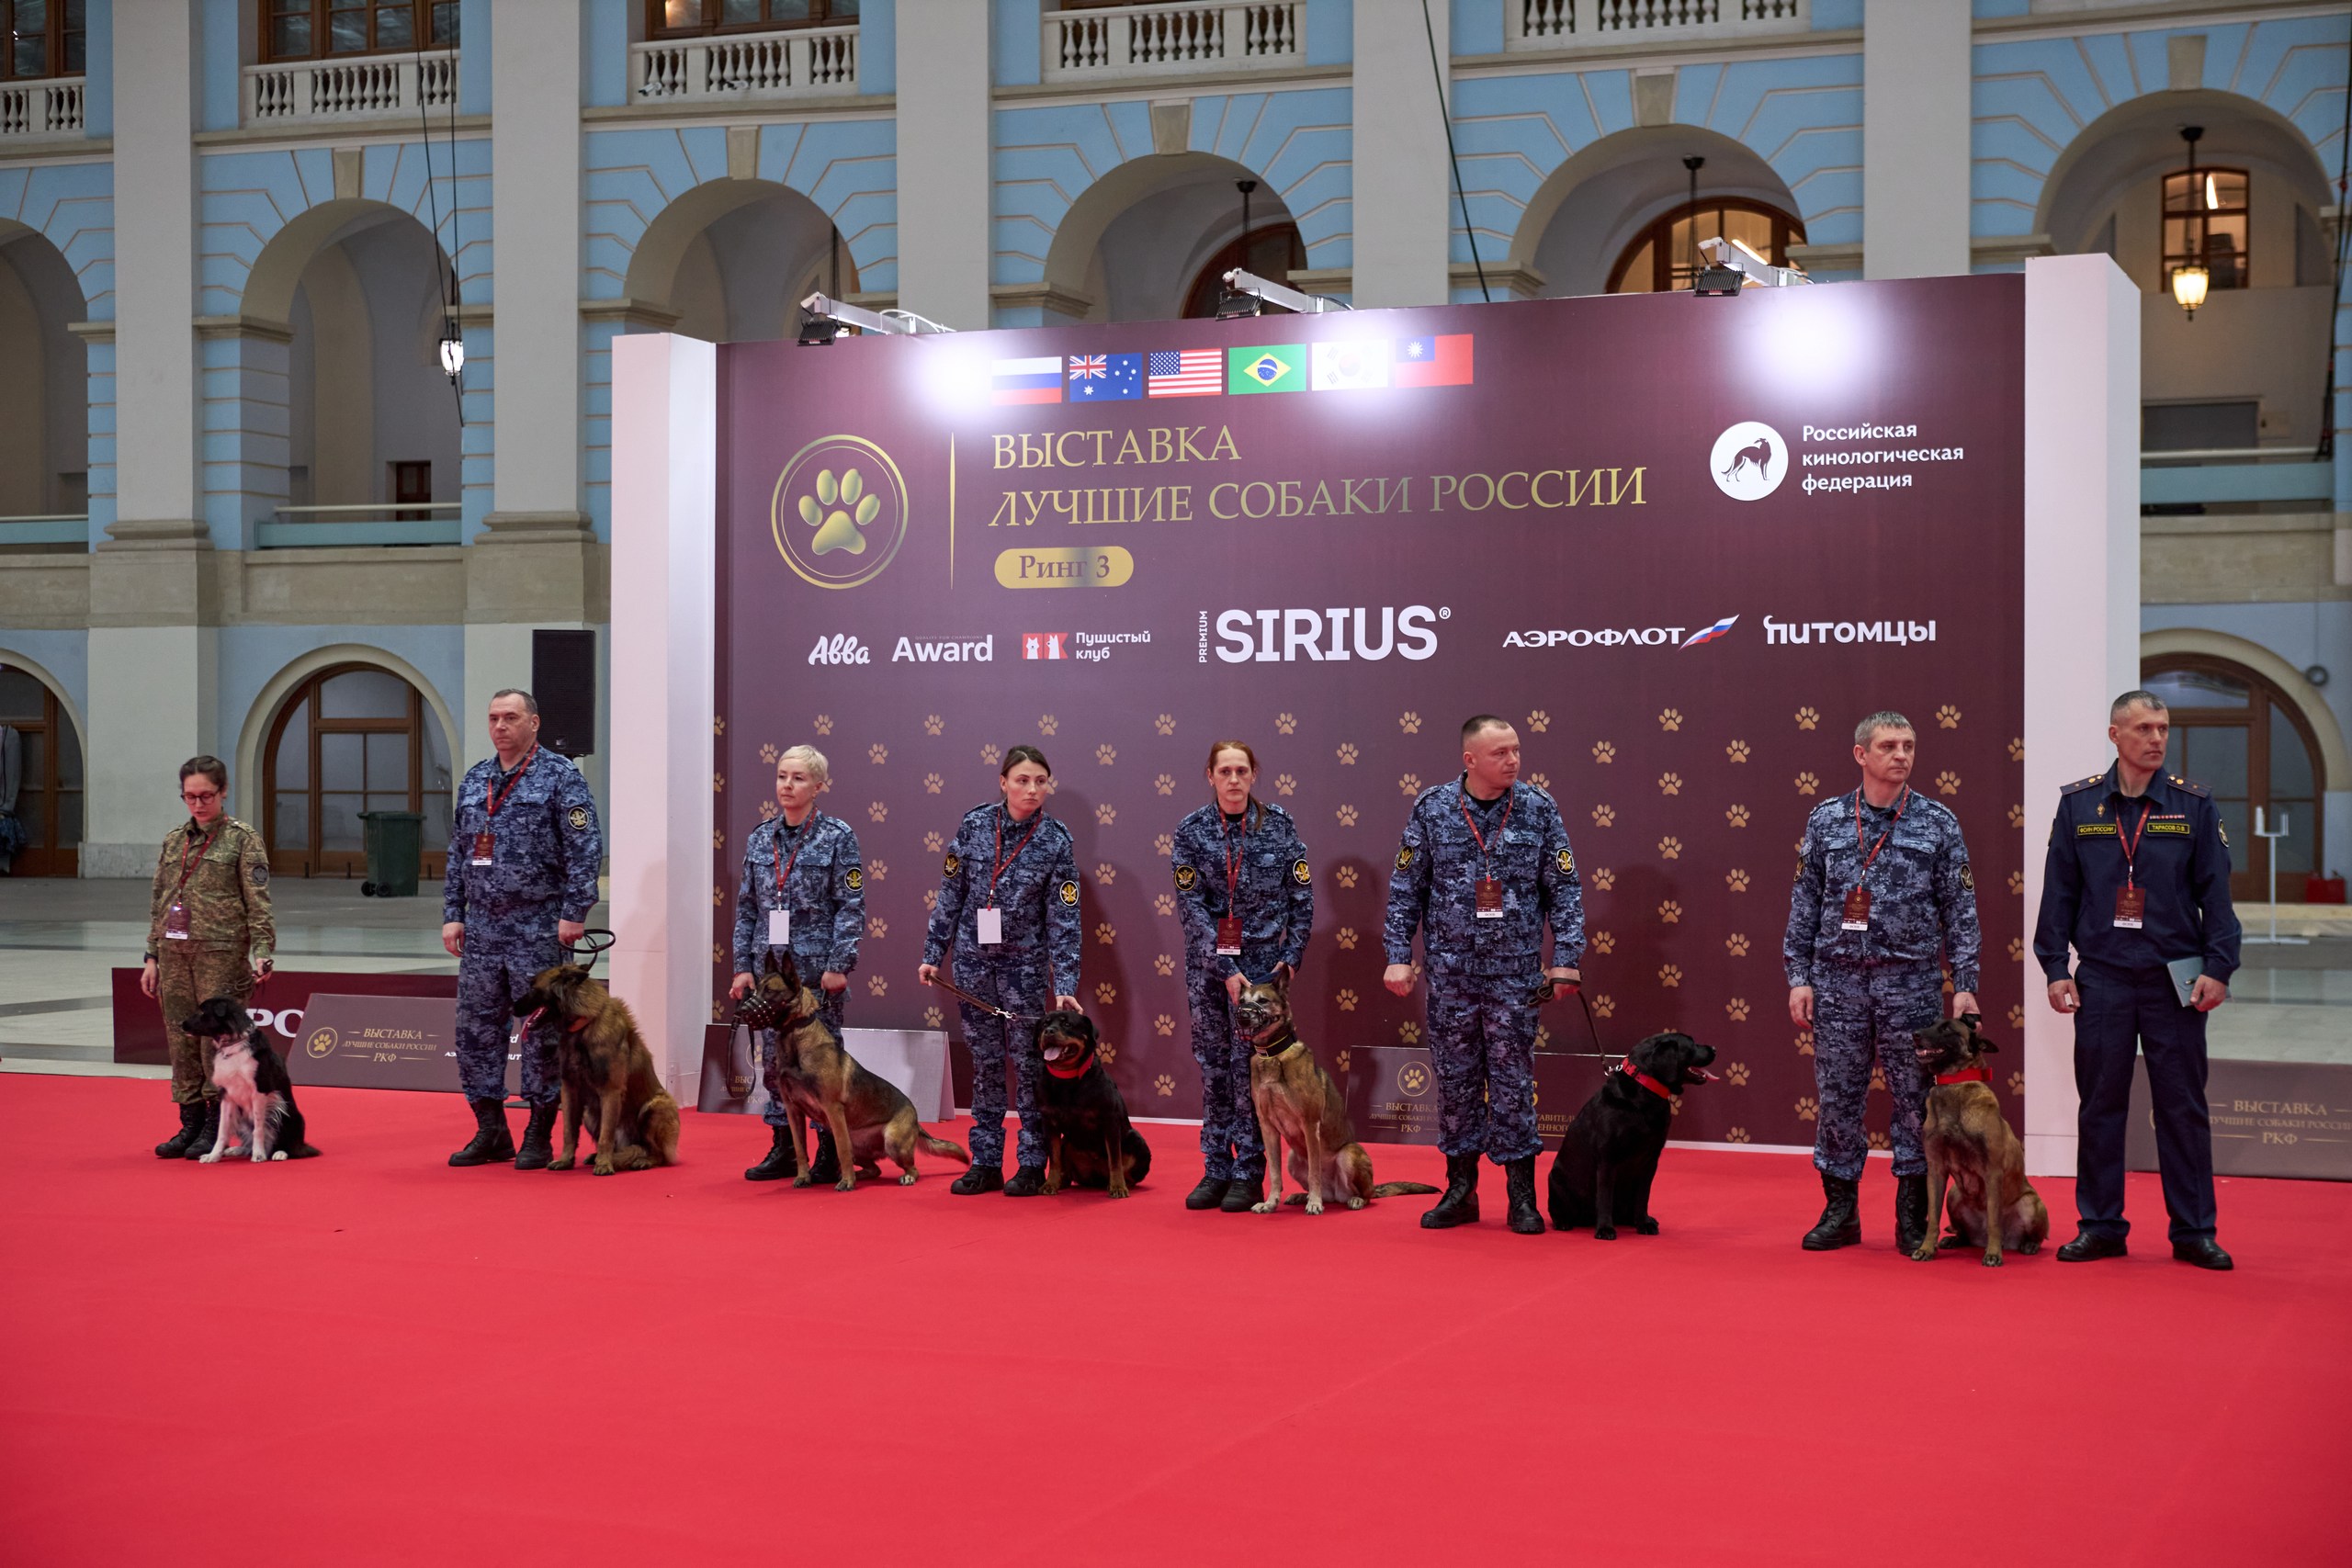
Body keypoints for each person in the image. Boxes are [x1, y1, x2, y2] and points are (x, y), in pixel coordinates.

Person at [2033, 690, 2240, 1270]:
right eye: (2144, 728)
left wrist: (2219, 967)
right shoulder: (2078, 806)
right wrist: (2055, 968)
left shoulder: (2193, 805)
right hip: (2103, 977)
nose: (2156, 739)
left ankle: (2194, 1231)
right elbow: (2058, 894)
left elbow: (2217, 896)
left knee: (2182, 1107)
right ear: (2115, 735)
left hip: (2176, 977)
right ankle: (2101, 1226)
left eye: (2163, 729)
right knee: (2100, 1105)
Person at [1783, 711, 1981, 1254]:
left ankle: (1912, 1215)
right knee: (1838, 1098)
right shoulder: (1826, 820)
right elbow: (1805, 902)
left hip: (1911, 983)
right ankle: (1840, 1211)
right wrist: (1799, 977)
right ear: (1861, 754)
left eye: (1909, 746)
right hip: (1837, 982)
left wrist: (1965, 982)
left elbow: (1960, 910)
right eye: (1889, 745)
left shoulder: (1937, 822)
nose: (1901, 755)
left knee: (1916, 1101)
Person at [1383, 716, 1582, 1235]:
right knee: (1456, 1083)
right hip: (1451, 975)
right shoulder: (1432, 808)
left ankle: (1521, 1196)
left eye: (1516, 750)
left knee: (1514, 1083)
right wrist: (1398, 953)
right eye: (1500, 753)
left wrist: (1567, 957)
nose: (1513, 760)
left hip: (1515, 976)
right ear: (1469, 759)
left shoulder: (1538, 807)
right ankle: (1461, 1190)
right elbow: (1406, 887)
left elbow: (1564, 888)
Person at [441, 689, 603, 1169]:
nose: (500, 726)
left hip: (539, 925)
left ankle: (539, 1132)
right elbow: (458, 851)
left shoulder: (561, 777)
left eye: (510, 717)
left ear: (534, 723)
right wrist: (453, 912)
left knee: (543, 1034)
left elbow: (585, 849)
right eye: (494, 718)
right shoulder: (476, 779)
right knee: (476, 1030)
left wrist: (575, 912)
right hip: (482, 928)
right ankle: (490, 1129)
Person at [919, 746, 1082, 1196]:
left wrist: (1065, 982)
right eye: (1023, 780)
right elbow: (950, 894)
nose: (1032, 789)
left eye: (1041, 781)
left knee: (1030, 1066)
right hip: (973, 965)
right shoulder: (974, 826)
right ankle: (986, 1162)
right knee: (986, 1064)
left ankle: (1031, 1163)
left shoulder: (1055, 840)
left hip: (1023, 969)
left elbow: (1064, 918)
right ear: (1003, 782)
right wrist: (933, 952)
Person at [1170, 740, 1314, 1213]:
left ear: (1254, 775)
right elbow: (1191, 909)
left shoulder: (1280, 826)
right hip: (1210, 970)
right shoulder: (1191, 831)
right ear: (1210, 776)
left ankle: (1250, 1172)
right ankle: (1216, 1168)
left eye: (1242, 771)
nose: (1234, 779)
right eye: (1225, 771)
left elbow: (1301, 895)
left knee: (1255, 1071)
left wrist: (1292, 956)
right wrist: (1225, 969)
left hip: (1264, 970)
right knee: (1214, 1067)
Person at [729, 744, 864, 1182]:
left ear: (818, 786)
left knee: (821, 1064)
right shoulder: (759, 838)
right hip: (770, 977)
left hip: (815, 975)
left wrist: (839, 964)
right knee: (776, 1063)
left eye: (798, 778)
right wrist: (742, 966)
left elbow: (851, 906)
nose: (787, 785)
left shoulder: (837, 836)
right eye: (782, 776)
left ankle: (829, 1150)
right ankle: (785, 1146)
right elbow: (746, 909)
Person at [142, 756, 275, 1158]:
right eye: (190, 797)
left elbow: (258, 901)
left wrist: (263, 950)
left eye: (206, 796)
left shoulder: (242, 839)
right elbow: (159, 901)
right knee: (180, 1038)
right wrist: (151, 955)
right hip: (174, 955)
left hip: (221, 955)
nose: (198, 804)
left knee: (215, 1044)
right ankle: (190, 1123)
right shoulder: (174, 841)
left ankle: (216, 1128)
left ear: (223, 792)